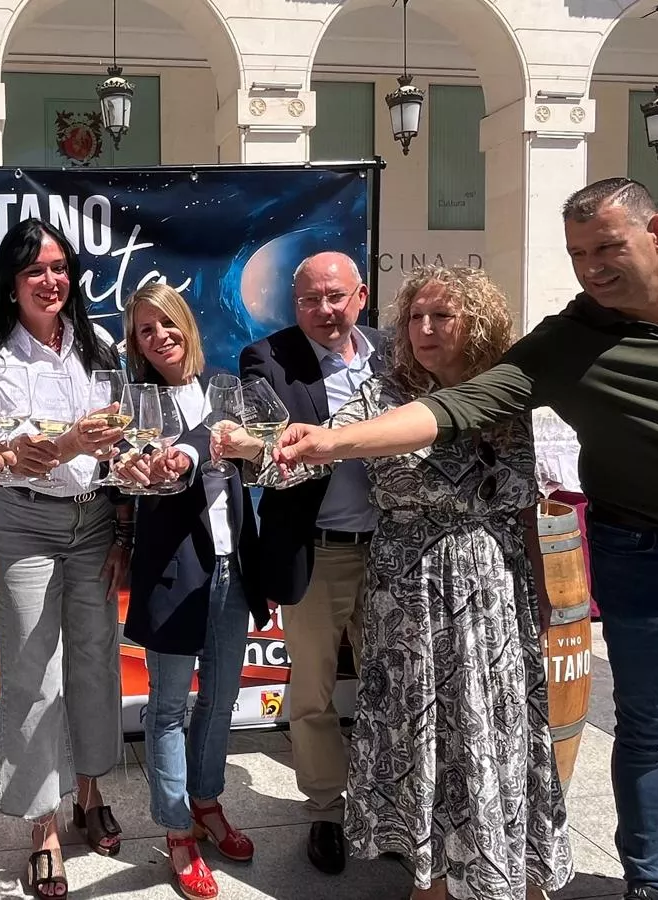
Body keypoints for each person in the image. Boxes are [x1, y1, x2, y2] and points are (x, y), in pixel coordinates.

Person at [274, 179, 658, 900]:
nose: (591, 266)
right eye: (577, 253)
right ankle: (648, 888)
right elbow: (455, 407)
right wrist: (333, 442)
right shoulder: (569, 339)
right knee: (651, 735)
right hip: (650, 563)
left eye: (607, 247)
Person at [247, 265, 574, 900]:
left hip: (493, 589)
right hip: (411, 588)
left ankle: (506, 862)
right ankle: (428, 874)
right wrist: (263, 452)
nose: (424, 329)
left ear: (475, 323)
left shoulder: (508, 397)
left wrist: (541, 590)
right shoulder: (381, 393)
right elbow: (316, 455)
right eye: (416, 317)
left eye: (441, 317)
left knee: (491, 725)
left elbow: (526, 504)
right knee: (416, 727)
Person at [0, 218, 128, 899]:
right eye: (35, 269)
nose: (50, 280)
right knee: (34, 671)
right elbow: (12, 458)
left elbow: (118, 447)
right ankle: (44, 826)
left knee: (95, 660)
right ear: (11, 283)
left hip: (94, 521)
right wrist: (67, 444)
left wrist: (124, 500)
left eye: (59, 267)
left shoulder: (101, 347)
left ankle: (89, 790)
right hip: (25, 522)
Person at [234, 250, 385, 873]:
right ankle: (326, 809)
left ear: (361, 295)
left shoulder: (393, 354)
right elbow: (261, 451)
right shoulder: (268, 360)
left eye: (334, 296)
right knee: (316, 692)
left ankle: (393, 802)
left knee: (397, 684)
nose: (322, 310)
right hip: (315, 552)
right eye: (307, 300)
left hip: (394, 553)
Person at [116, 284, 268, 900]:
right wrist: (133, 469)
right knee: (169, 704)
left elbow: (245, 445)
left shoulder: (226, 390)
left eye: (166, 323)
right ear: (136, 345)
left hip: (234, 568)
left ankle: (207, 801)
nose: (159, 336)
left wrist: (230, 447)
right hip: (172, 573)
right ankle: (176, 829)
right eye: (145, 330)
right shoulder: (135, 403)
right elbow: (123, 469)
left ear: (187, 326)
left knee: (221, 697)